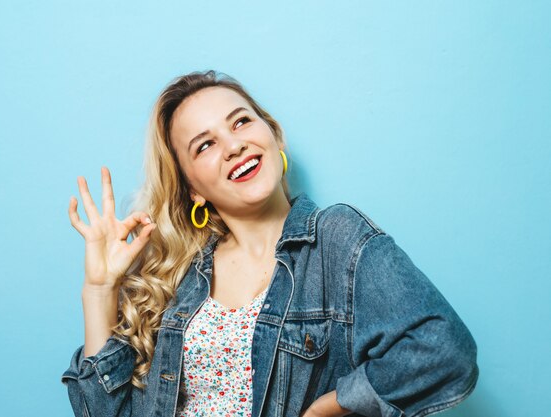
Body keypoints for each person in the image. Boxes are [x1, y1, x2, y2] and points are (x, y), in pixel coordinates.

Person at [61, 70, 478, 417]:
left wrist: (327, 408)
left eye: (241, 121)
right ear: (193, 190)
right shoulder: (180, 279)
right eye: (205, 145)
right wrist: (99, 289)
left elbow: (444, 350)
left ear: (273, 136)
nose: (233, 145)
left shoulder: (335, 239)